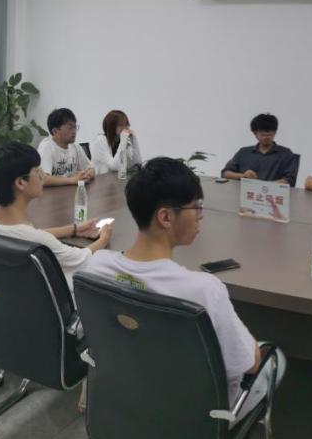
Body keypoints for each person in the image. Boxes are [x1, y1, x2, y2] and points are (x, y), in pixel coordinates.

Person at [78, 157, 283, 424]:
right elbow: (249, 363)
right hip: (193, 418)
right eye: (196, 207)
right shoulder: (203, 290)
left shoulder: (97, 267)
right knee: (274, 359)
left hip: (124, 400)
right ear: (165, 217)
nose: (200, 215)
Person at [0, 142, 111, 289]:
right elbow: (81, 258)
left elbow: (26, 234)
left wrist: (74, 229)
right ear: (21, 183)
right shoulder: (37, 241)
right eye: (38, 172)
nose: (43, 177)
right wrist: (104, 238)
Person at [221, 113, 299, 185]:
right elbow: (225, 173)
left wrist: (265, 186)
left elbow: (290, 180)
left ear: (275, 132)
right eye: (263, 135)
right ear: (254, 133)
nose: (266, 138)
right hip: (246, 193)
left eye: (270, 135)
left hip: (273, 194)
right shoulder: (243, 152)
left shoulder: (286, 154)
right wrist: (243, 176)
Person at [38, 108, 95, 186]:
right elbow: (43, 179)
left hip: (72, 191)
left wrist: (87, 175)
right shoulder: (46, 147)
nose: (74, 131)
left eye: (75, 127)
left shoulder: (75, 146)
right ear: (55, 131)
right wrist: (72, 180)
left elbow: (91, 169)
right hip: (53, 193)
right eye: (70, 128)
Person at [90, 110, 142, 176]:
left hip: (116, 179)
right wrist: (123, 142)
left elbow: (137, 163)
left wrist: (134, 140)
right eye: (121, 125)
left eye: (127, 125)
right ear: (112, 127)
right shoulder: (100, 140)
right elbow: (115, 167)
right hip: (101, 180)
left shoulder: (122, 140)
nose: (125, 128)